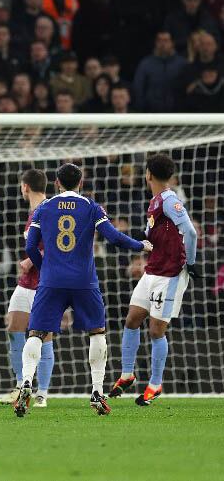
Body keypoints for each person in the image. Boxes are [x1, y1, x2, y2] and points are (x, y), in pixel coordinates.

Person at [16, 163, 152, 417]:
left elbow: (32, 246)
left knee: (36, 333)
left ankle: (25, 382)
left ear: (56, 183)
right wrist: (140, 246)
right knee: (97, 332)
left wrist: (46, 267)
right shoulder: (91, 207)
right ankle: (97, 392)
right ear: (81, 182)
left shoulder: (43, 208)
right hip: (84, 281)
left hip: (51, 280)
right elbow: (113, 237)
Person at [109, 154, 200, 406]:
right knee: (132, 319)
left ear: (148, 174)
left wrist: (190, 263)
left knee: (156, 330)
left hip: (170, 274)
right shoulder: (156, 201)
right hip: (152, 270)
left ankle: (155, 383)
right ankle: (127, 375)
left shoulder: (170, 200)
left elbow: (190, 232)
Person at [0, 169, 58, 408]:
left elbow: (55, 245)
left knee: (44, 337)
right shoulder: (33, 213)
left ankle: (42, 392)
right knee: (14, 328)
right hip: (25, 285)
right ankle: (20, 386)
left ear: (25, 187)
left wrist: (30, 260)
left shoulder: (47, 210)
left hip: (44, 284)